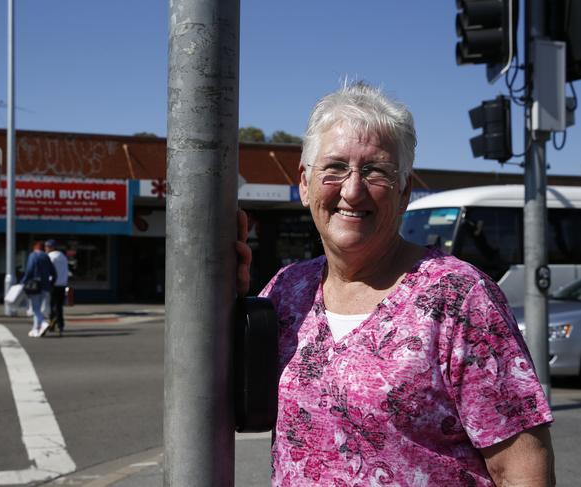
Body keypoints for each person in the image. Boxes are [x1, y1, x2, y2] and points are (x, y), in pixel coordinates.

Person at [236, 81, 555, 486]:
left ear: (403, 190)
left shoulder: (458, 296)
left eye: (375, 171)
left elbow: (522, 470)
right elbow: (228, 399)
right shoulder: (285, 290)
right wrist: (223, 300)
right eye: (334, 168)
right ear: (304, 182)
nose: (352, 190)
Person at [20, 240, 56, 338]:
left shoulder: (33, 255)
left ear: (35, 248)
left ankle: (43, 323)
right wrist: (51, 283)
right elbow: (53, 272)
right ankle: (35, 329)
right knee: (39, 308)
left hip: (35, 285)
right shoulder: (46, 256)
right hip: (45, 286)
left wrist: (23, 282)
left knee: (35, 308)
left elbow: (29, 270)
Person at [45, 239, 69, 336]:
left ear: (51, 247)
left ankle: (52, 323)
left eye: (46, 247)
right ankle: (60, 325)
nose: (45, 249)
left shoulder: (50, 257)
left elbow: (48, 271)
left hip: (53, 284)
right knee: (59, 306)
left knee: (52, 305)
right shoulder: (63, 256)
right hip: (62, 284)